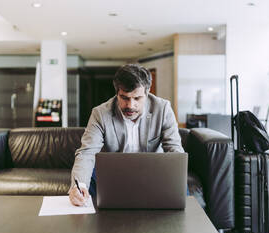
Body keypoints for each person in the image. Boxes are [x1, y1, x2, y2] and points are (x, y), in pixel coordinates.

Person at [69, 64, 184, 206]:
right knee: (88, 179)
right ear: (117, 93)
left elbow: (174, 150)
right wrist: (79, 186)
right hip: (114, 175)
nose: (130, 105)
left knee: (179, 180)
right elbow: (87, 153)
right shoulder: (100, 113)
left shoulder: (163, 109)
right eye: (124, 98)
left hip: (153, 174)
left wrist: (176, 178)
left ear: (147, 93)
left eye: (137, 98)